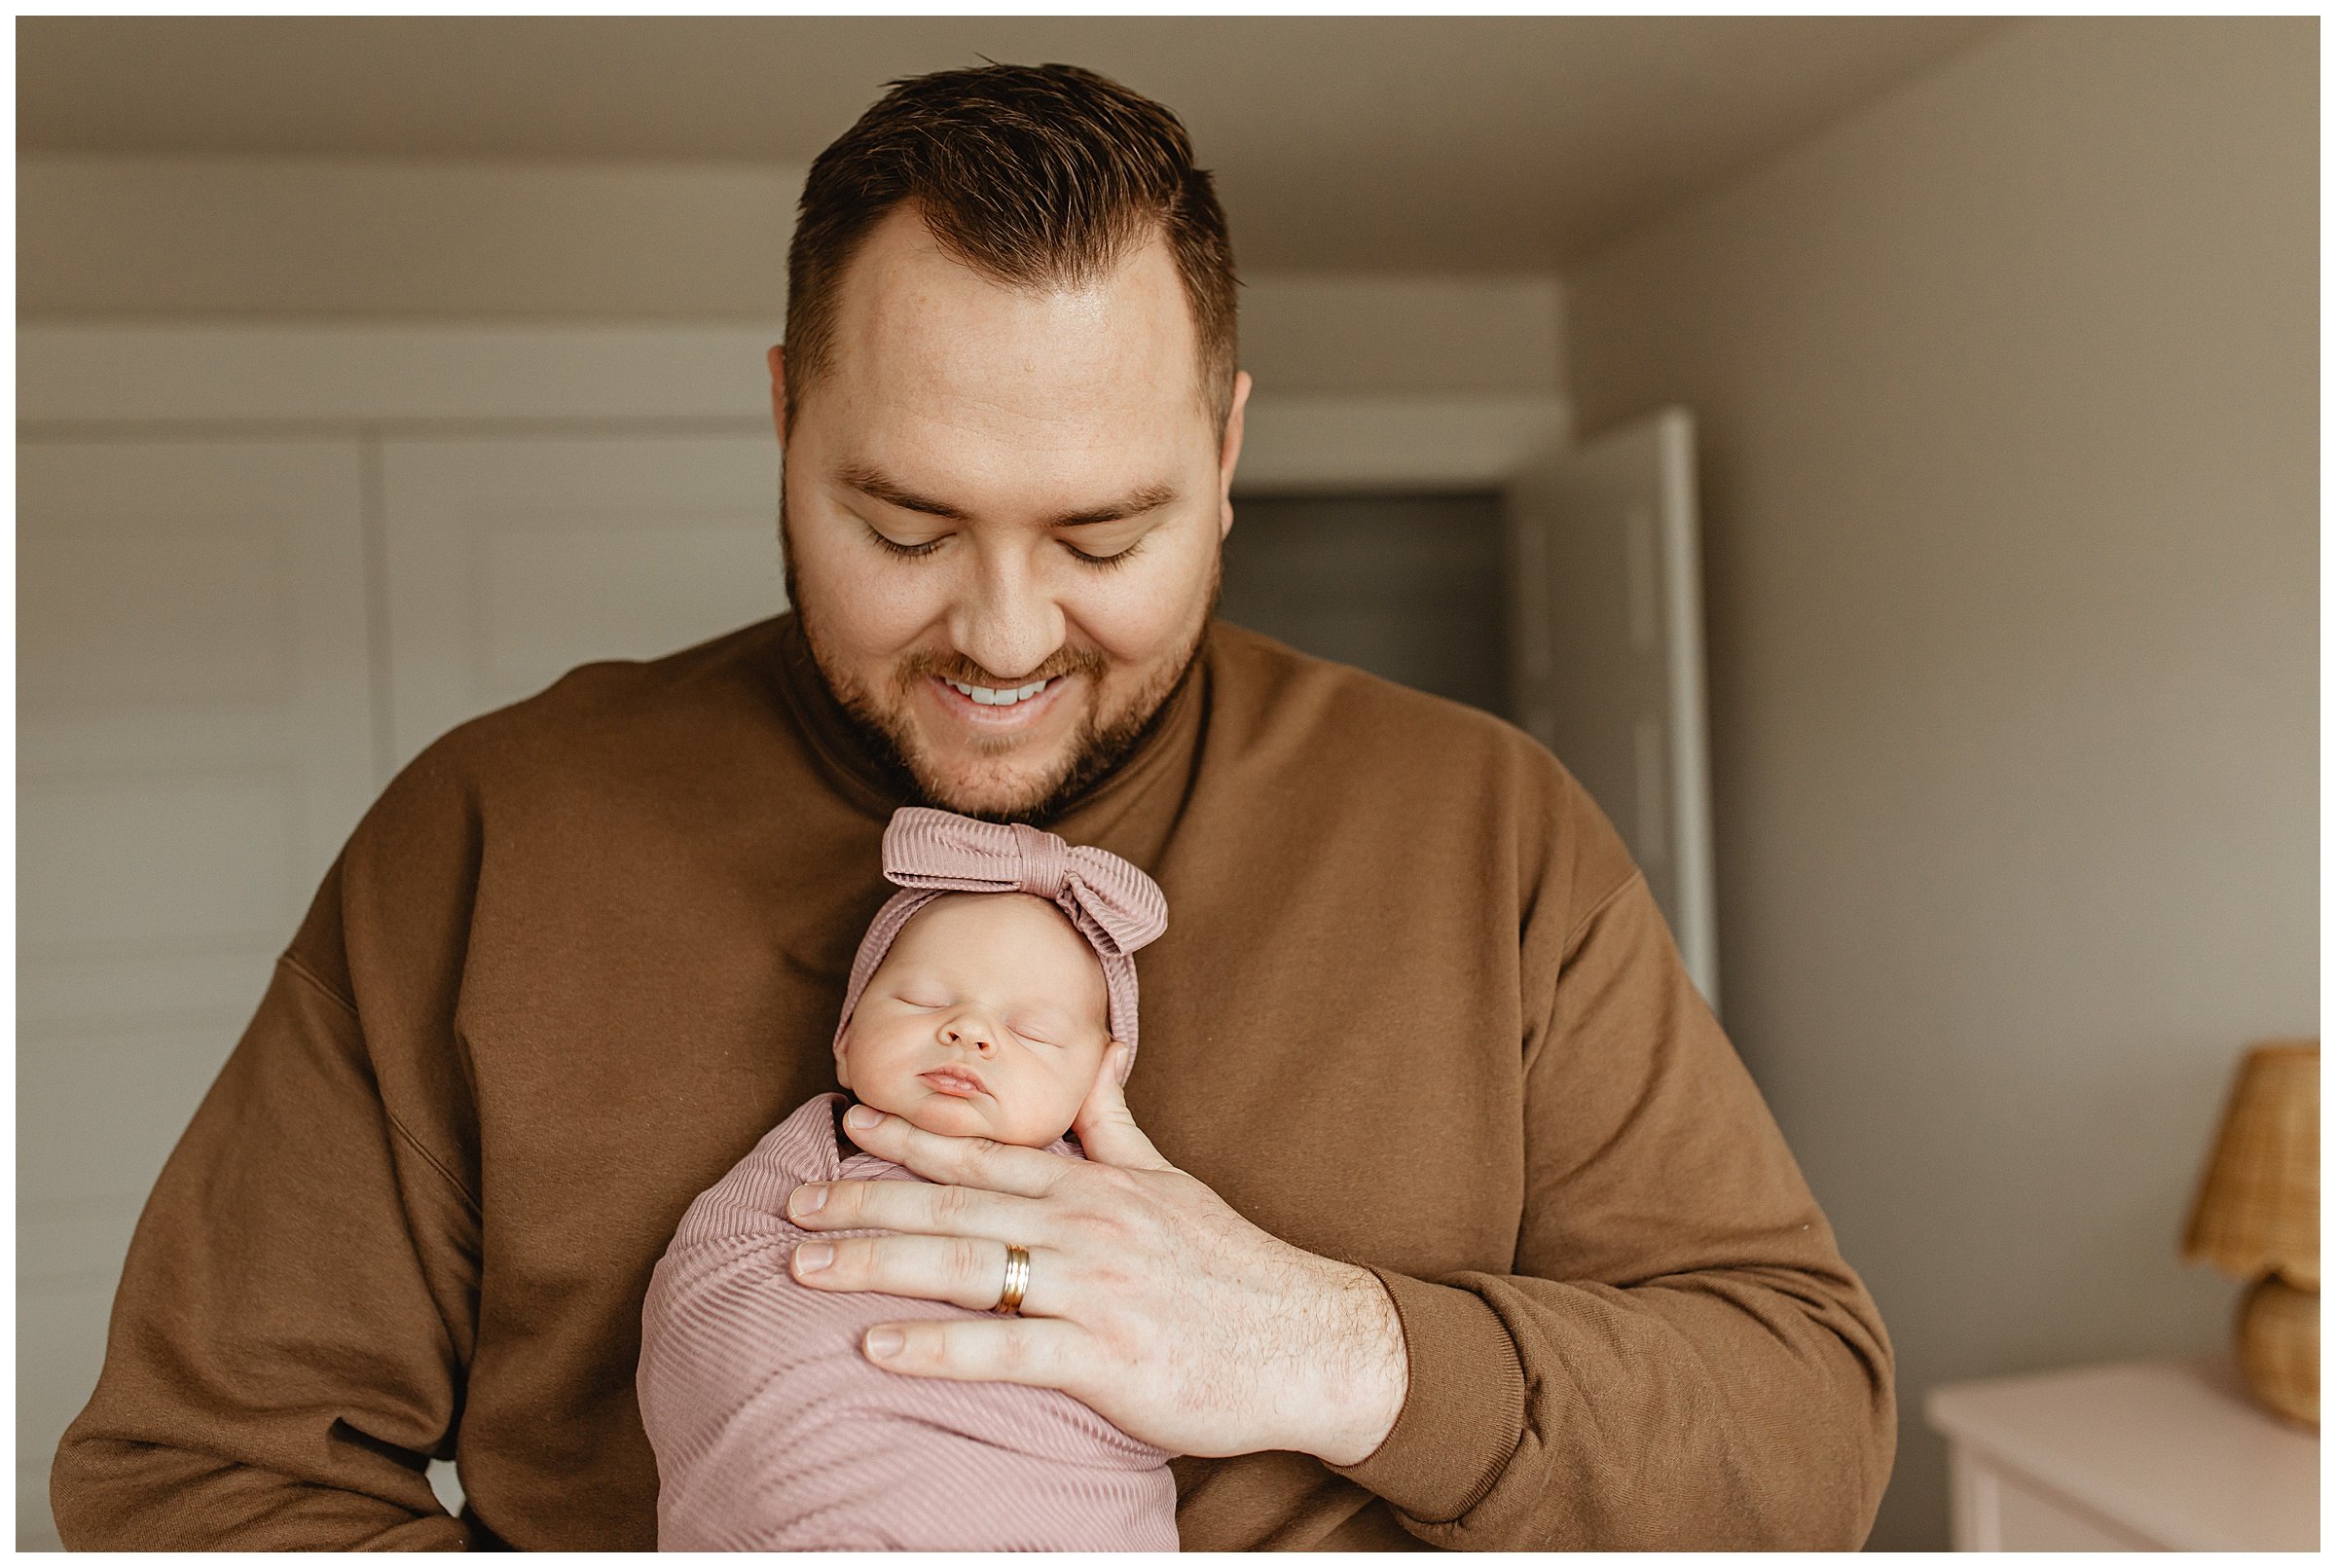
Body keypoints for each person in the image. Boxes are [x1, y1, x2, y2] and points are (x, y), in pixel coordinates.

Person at [52, 62, 1895, 1550]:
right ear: (783, 424)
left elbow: (1805, 1428)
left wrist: (1335, 1348)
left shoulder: (1489, 828)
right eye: (904, 527)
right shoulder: (482, 836)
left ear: (1230, 452)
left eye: (1105, 534)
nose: (1006, 637)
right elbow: (195, 1482)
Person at [638, 806, 1180, 1550]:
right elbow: (704, 1287)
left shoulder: (1112, 1206)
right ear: (846, 1037)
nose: (969, 1029)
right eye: (924, 999)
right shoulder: (815, 1152)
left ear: (1099, 1080)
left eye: (1032, 1031)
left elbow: (1160, 1359)